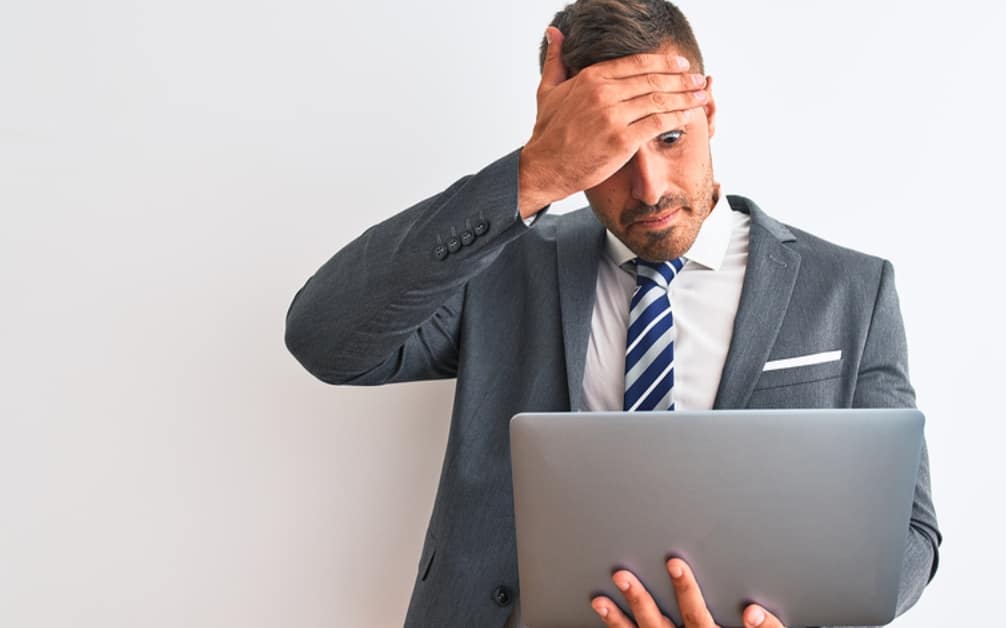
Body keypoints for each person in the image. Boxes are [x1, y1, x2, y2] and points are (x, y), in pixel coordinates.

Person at [284, 1, 941, 626]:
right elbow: (327, 339)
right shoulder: (502, 270)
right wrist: (531, 174)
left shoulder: (852, 289)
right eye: (610, 155)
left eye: (671, 138)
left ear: (708, 107)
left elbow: (909, 537)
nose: (650, 187)